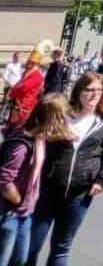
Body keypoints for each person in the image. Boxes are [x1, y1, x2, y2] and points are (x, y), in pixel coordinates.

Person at [28, 72, 103, 266]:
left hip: (81, 193)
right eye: (89, 90)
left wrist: (102, 179)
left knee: (61, 248)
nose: (94, 95)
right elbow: (39, 139)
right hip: (48, 189)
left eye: (99, 91)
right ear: (79, 90)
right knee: (33, 244)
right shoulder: (63, 113)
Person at [2, 96, 70, 265]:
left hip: (24, 213)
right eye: (63, 117)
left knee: (20, 261)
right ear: (53, 118)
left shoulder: (39, 139)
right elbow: (3, 180)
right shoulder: (22, 145)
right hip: (9, 213)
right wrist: (18, 200)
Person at [4, 51, 45, 136]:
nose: (27, 64)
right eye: (28, 62)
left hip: (25, 104)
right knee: (13, 122)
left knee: (20, 125)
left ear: (35, 64)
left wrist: (12, 93)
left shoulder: (36, 75)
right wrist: (12, 91)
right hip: (18, 102)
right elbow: (19, 84)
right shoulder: (27, 73)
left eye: (30, 63)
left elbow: (23, 88)